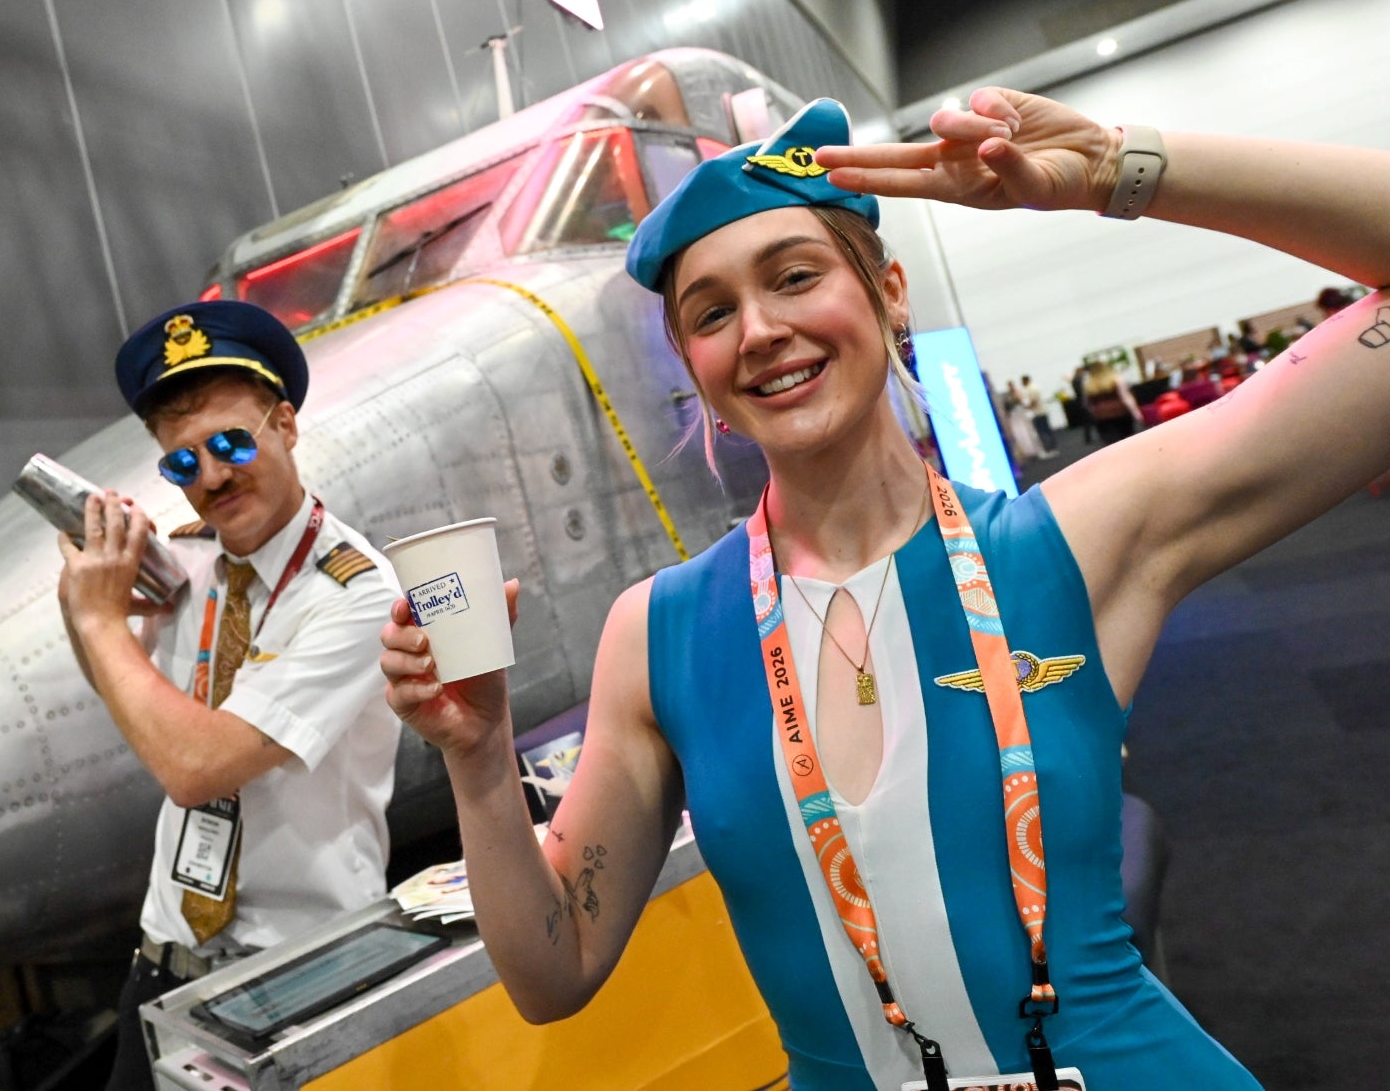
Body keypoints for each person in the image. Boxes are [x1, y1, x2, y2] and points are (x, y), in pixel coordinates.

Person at [380, 88, 1390, 1088]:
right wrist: (474, 762)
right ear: (694, 370)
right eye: (713, 312)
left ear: (889, 291)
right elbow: (552, 971)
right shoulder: (661, 635)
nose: (762, 328)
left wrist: (1113, 169)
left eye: (795, 276)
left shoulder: (1070, 544)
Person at [56, 299, 401, 1090]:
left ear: (285, 424)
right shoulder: (188, 565)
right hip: (166, 965)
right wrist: (85, 604)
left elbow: (198, 767)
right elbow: (135, 703)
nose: (211, 477)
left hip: (304, 974)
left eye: (230, 443)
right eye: (183, 462)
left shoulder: (352, 592)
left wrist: (103, 623)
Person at [1081, 360, 1140, 443]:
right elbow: (1126, 397)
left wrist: (1094, 413)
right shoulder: (1116, 380)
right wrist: (1135, 412)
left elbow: (1087, 403)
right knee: (1128, 439)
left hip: (1102, 416)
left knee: (1111, 442)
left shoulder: (1089, 385)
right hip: (1121, 413)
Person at [1018, 374, 1058, 454]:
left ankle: (1048, 448)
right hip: (1042, 411)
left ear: (1025, 380)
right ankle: (1052, 446)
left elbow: (1034, 402)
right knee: (1047, 430)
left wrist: (1026, 408)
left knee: (1042, 431)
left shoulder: (1031, 389)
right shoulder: (1035, 387)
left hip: (1038, 413)